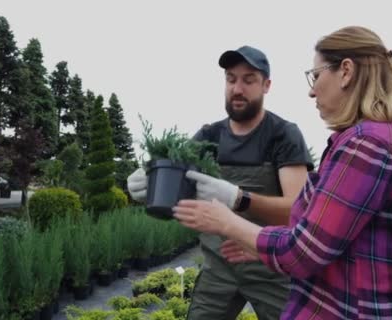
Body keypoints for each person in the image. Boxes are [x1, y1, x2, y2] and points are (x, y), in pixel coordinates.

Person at [173, 26, 392, 319]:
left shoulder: (367, 144)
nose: (312, 90)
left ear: (346, 72)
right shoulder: (383, 137)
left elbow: (303, 252)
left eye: (316, 76)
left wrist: (228, 220)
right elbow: (328, 234)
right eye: (231, 80)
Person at [127, 45, 313, 320]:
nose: (237, 88)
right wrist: (148, 185)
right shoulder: (208, 136)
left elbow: (300, 211)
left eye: (249, 80)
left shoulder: (283, 136)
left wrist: (239, 198)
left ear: (266, 85)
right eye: (231, 79)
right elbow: (176, 186)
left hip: (271, 270)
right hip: (218, 269)